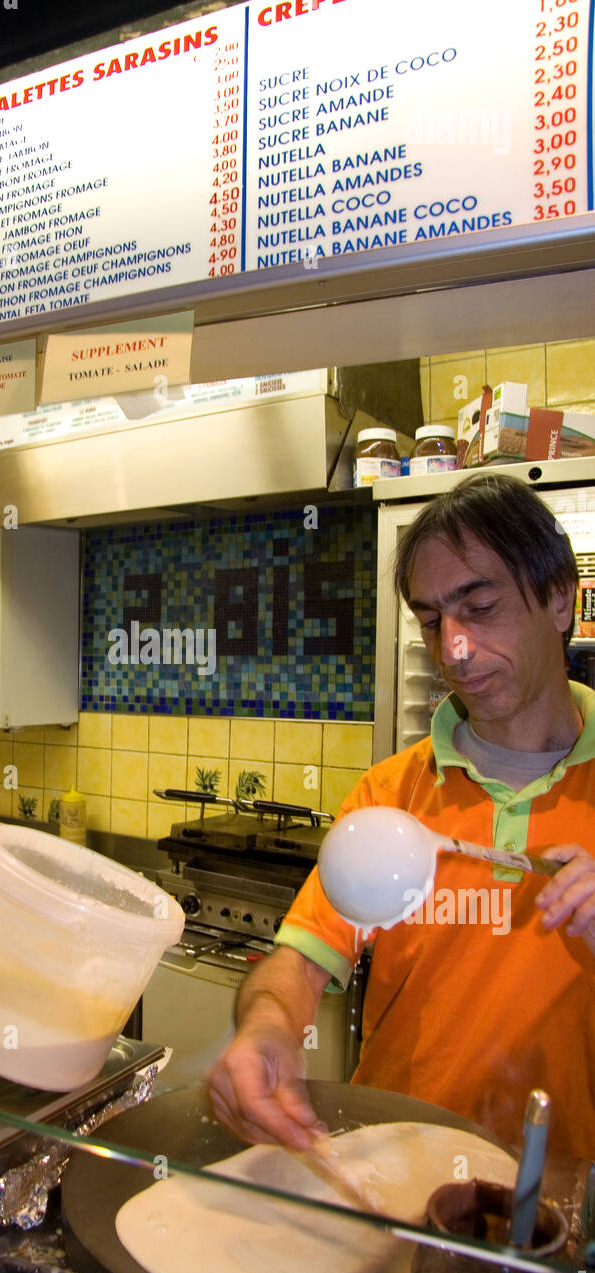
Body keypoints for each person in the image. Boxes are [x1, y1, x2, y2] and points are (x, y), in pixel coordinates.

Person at [209, 473, 595, 1159]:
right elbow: (298, 964)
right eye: (430, 620)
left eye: (479, 607)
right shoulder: (390, 796)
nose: (454, 649)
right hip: (395, 1173)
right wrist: (266, 1029)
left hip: (562, 1202)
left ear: (560, 597)